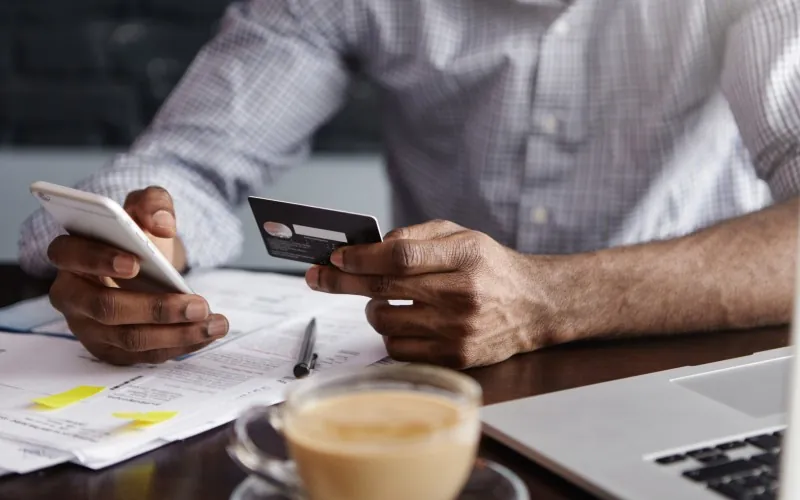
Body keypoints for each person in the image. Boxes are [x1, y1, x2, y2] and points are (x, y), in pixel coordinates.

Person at [18, 0, 800, 368]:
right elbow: (190, 163)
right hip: (427, 377)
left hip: (696, 366)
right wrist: (143, 240)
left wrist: (548, 300)